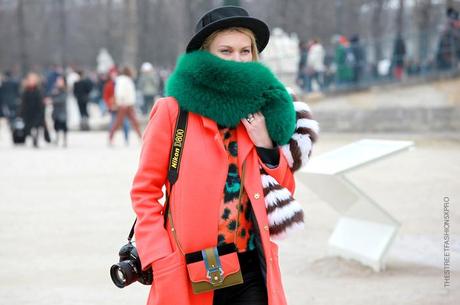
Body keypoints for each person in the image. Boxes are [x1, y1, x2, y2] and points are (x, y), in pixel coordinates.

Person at [130, 6, 317, 305]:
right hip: (187, 268)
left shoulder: (260, 112)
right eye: (226, 51)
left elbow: (284, 192)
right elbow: (145, 192)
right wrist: (159, 256)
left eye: (245, 51)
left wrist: (267, 146)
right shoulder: (172, 111)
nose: (238, 60)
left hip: (252, 266)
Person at [108, 66, 142, 145]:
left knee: (132, 122)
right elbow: (120, 92)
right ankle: (111, 138)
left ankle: (141, 138)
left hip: (128, 104)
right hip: (125, 104)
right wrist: (122, 102)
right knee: (121, 122)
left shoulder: (124, 80)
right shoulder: (123, 80)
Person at [103, 67, 130, 144]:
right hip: (113, 107)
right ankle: (111, 139)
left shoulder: (121, 83)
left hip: (122, 106)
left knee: (125, 124)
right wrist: (110, 105)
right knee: (113, 124)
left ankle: (126, 139)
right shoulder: (108, 85)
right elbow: (106, 97)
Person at [20, 73, 45, 148]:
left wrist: (41, 112)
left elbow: (41, 103)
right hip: (28, 112)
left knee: (36, 126)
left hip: (36, 111)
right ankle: (31, 137)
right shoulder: (25, 91)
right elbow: (23, 102)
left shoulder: (38, 91)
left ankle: (36, 139)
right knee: (29, 126)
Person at [50, 75, 68, 147]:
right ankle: (57, 139)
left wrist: (53, 100)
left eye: (60, 81)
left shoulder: (65, 90)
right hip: (56, 112)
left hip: (62, 112)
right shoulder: (55, 89)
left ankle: (64, 140)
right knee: (56, 126)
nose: (59, 82)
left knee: (63, 127)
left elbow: (62, 99)